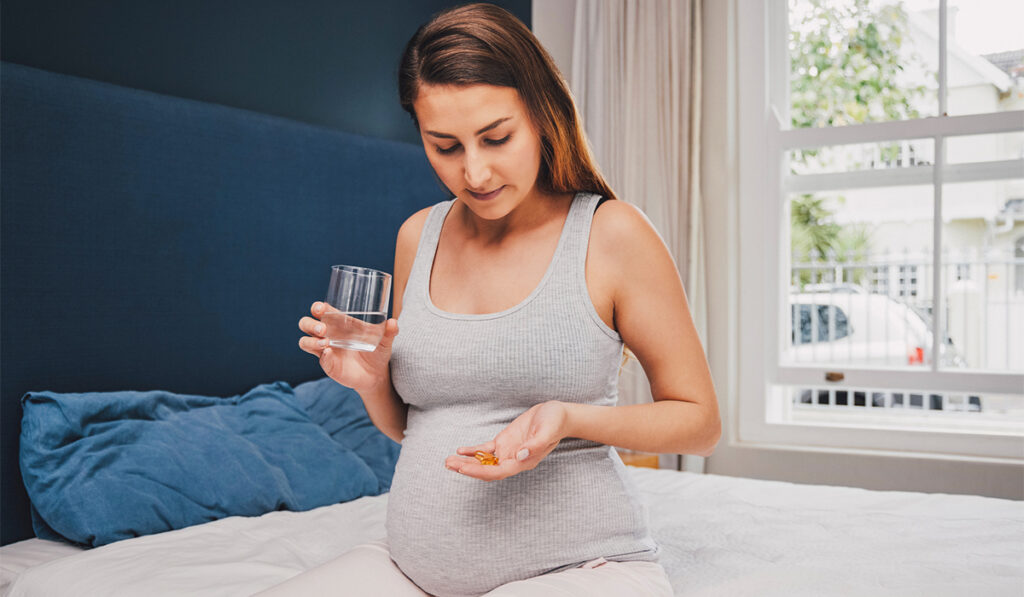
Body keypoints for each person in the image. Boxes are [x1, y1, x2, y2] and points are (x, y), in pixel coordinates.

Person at [277, 3, 719, 595]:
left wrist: (567, 419)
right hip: (410, 571)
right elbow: (416, 427)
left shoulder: (611, 234)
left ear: (542, 114)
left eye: (496, 137)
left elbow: (700, 422)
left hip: (580, 568)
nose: (476, 173)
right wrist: (372, 381)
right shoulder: (418, 236)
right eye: (446, 146)